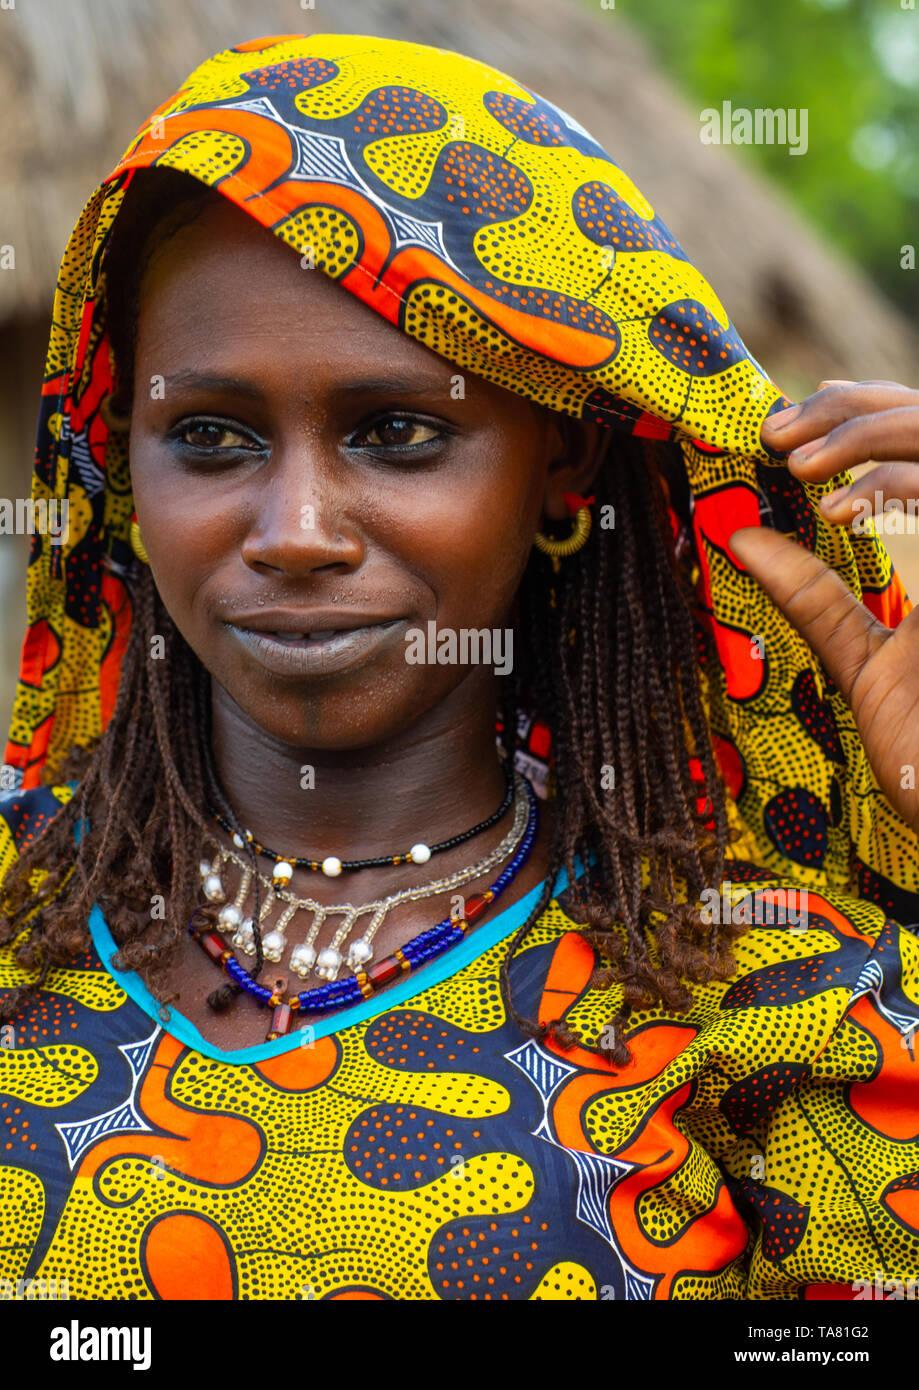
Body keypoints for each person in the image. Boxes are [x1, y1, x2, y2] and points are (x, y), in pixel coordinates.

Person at [0, 31, 917, 1302]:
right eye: (209, 436)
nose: (295, 532)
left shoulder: (757, 990)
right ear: (121, 451)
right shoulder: (18, 907)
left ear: (561, 460)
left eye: (397, 432)